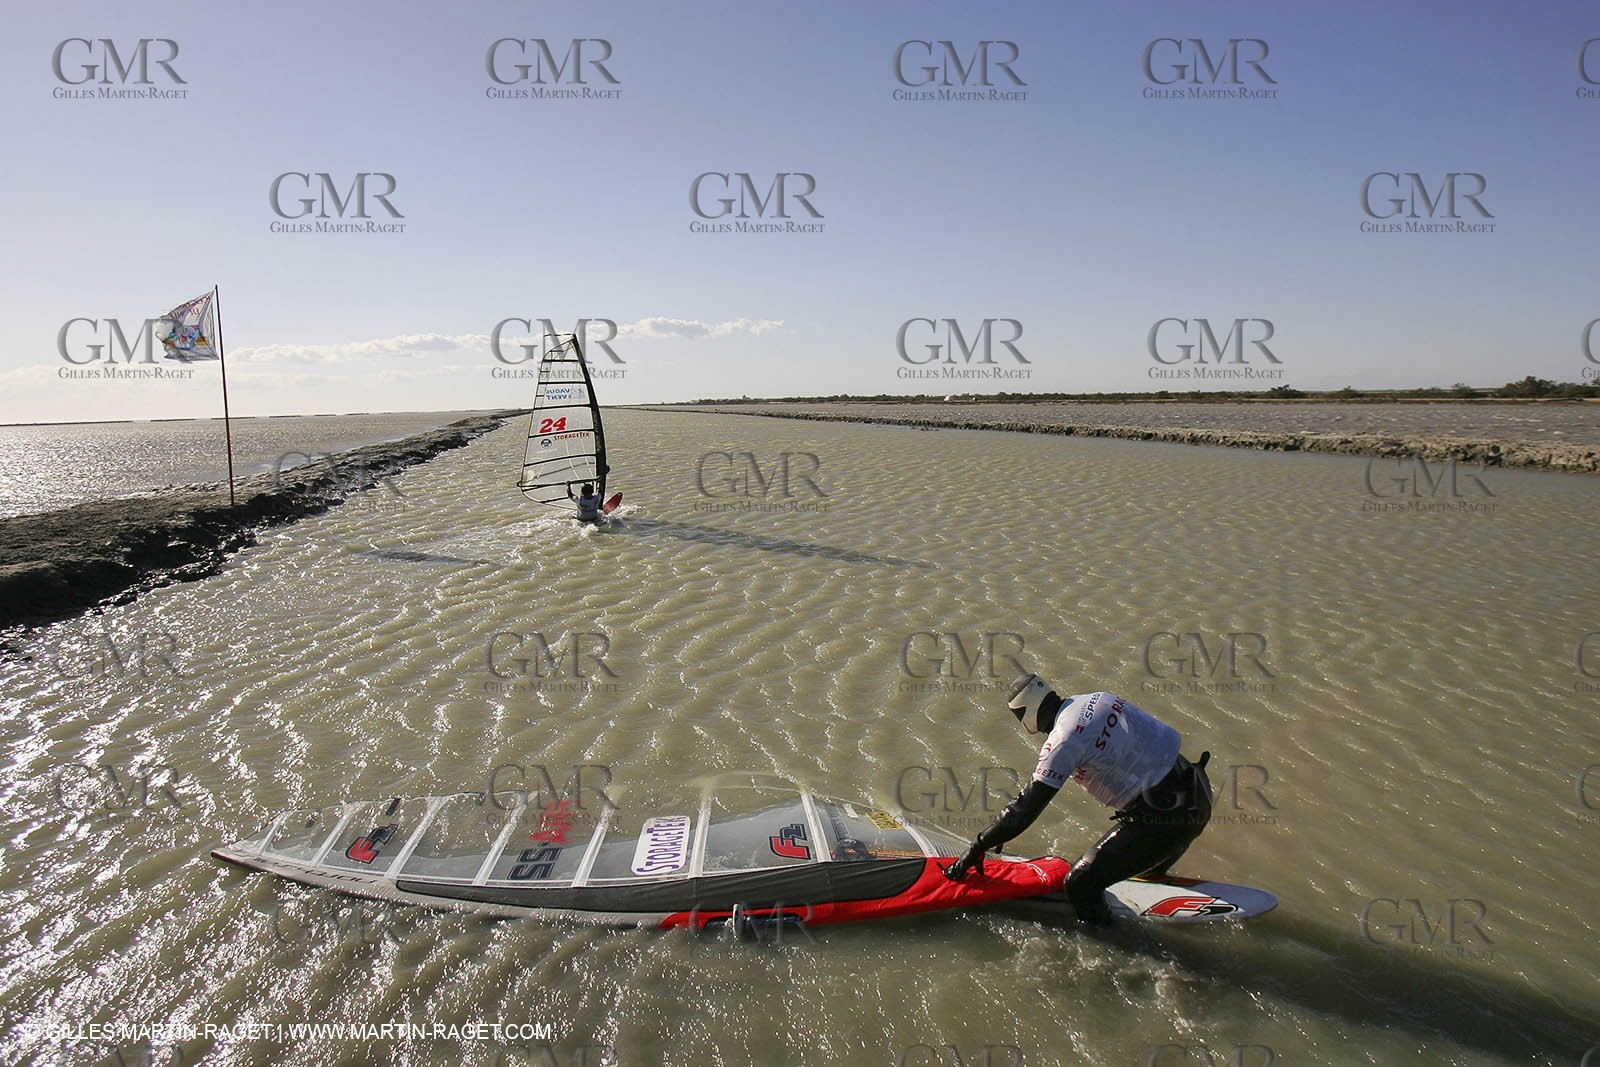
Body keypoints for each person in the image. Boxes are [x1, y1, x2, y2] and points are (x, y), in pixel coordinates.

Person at [942, 672, 1213, 923]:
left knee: (1080, 883)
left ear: (1026, 713)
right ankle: (1152, 873)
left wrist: (978, 846)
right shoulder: (1096, 698)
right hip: (1198, 793)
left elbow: (1026, 808)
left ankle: (1117, 946)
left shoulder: (1063, 740)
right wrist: (1002, 834)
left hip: (1166, 820)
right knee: (1136, 860)